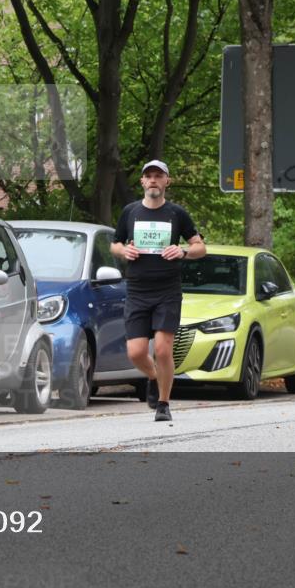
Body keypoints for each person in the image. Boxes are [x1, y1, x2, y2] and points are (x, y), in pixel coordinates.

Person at [111, 160, 205, 422]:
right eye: (148, 176)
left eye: (158, 176)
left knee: (163, 349)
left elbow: (200, 247)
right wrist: (123, 251)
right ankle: (153, 377)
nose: (153, 180)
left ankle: (163, 403)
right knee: (136, 352)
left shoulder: (177, 214)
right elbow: (115, 244)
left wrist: (183, 251)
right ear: (142, 182)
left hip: (167, 289)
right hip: (138, 289)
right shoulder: (130, 212)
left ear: (167, 181)